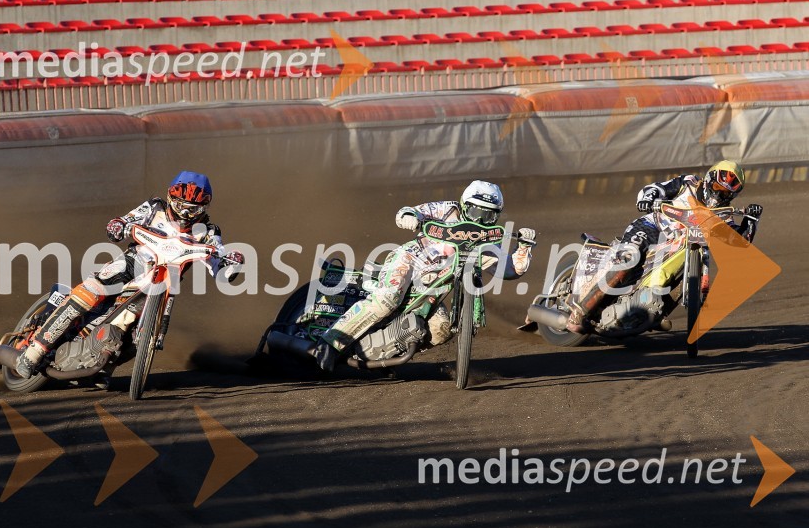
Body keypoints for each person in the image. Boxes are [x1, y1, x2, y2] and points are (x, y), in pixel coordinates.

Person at [15, 171, 245, 381]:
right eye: (180, 205)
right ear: (170, 198)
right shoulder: (154, 208)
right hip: (131, 263)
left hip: (164, 282)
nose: (184, 213)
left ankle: (103, 367)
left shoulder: (209, 232)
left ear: (204, 208)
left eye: (192, 209)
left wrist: (230, 264)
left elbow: (219, 265)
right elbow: (125, 221)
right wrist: (119, 225)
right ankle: (35, 351)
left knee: (129, 328)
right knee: (91, 290)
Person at [306, 180, 538, 372]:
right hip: (410, 261)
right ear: (465, 205)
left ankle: (383, 351)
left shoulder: (487, 244)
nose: (479, 221)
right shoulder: (447, 209)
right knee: (389, 297)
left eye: (488, 216)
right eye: (477, 211)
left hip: (432, 292)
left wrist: (525, 247)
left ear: (497, 217)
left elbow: (511, 270)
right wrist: (410, 217)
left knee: (442, 327)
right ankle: (329, 342)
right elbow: (409, 211)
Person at [565, 160, 763, 334]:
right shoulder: (689, 183)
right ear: (710, 179)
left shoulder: (722, 215)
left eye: (727, 194)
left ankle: (651, 311)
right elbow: (656, 189)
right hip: (653, 228)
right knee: (630, 257)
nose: (720, 196)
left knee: (681, 272)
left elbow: (738, 242)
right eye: (719, 189)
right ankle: (580, 311)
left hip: (682, 246)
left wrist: (751, 219)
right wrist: (647, 199)